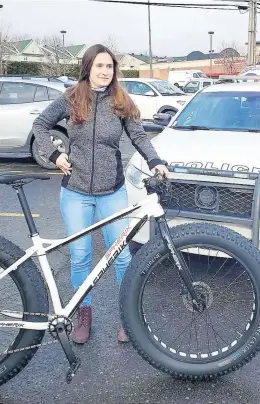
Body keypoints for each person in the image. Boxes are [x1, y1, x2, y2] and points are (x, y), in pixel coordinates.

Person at [32, 44, 169, 345]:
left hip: (112, 191)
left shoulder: (120, 99)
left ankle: (128, 318)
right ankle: (84, 314)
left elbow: (139, 135)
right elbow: (40, 125)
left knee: (120, 257)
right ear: (88, 68)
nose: (105, 72)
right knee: (80, 257)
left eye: (109, 67)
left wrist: (155, 161)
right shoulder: (71, 98)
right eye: (99, 66)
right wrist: (55, 154)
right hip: (76, 192)